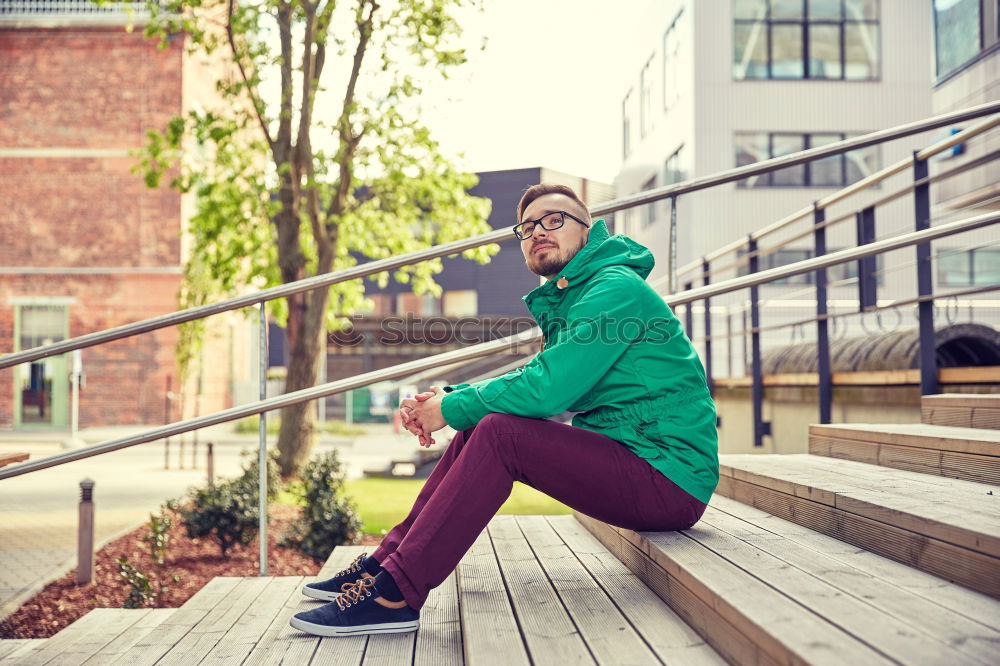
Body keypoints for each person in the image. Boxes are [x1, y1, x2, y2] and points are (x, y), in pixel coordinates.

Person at [289, 183, 718, 637]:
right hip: (636, 458)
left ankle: (398, 592)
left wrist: (450, 407)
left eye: (555, 220)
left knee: (498, 433)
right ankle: (383, 566)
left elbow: (547, 390)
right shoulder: (581, 294)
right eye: (528, 227)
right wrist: (450, 399)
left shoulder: (614, 290)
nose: (539, 232)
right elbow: (543, 380)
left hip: (667, 476)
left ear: (588, 232)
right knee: (488, 426)